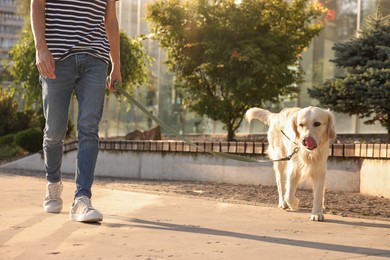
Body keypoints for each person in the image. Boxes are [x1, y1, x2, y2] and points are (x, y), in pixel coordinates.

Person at [31, 0, 121, 222]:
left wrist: (116, 65)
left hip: (95, 59)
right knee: (54, 132)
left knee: (89, 128)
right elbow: (37, 4)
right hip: (56, 59)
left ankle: (82, 198)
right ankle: (53, 183)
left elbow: (110, 19)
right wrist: (40, 48)